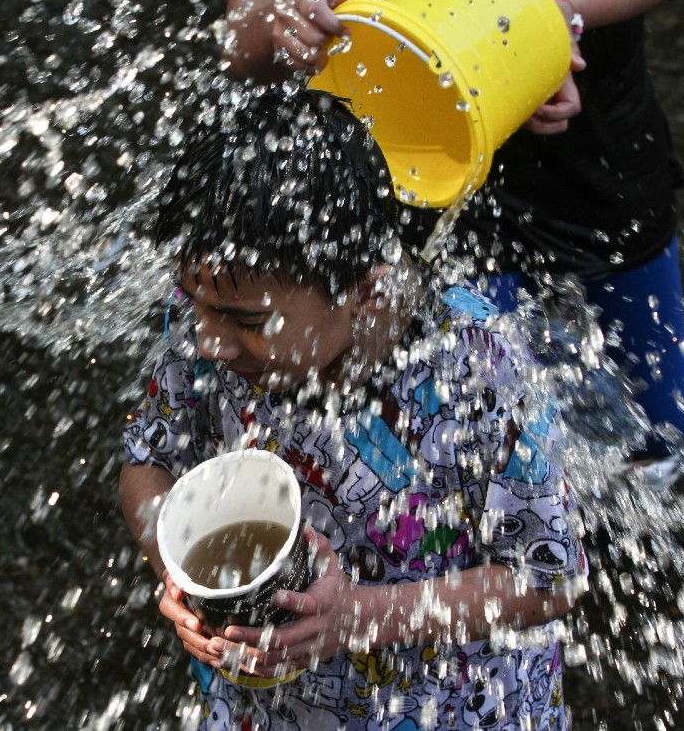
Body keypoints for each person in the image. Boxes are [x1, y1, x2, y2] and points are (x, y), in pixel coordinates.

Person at [120, 88, 587, 730]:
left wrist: (356, 617)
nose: (206, 339)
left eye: (245, 320)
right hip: (274, 709)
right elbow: (148, 464)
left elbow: (550, 579)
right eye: (194, 302)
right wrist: (172, 565)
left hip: (449, 710)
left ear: (366, 293)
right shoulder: (212, 322)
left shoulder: (479, 372)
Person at [221, 0, 684, 487]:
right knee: (474, 427)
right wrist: (288, 25)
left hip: (597, 175)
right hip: (422, 169)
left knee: (662, 420)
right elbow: (244, 40)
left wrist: (554, 18)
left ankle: (647, 488)